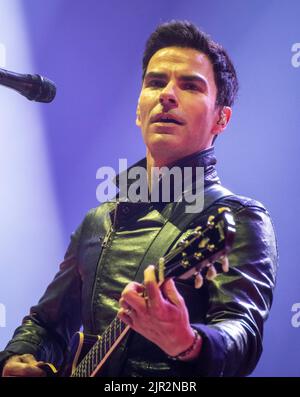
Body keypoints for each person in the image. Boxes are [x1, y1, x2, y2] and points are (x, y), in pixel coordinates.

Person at [0, 20, 277, 377]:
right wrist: (16, 359)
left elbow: (242, 335)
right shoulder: (99, 221)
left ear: (221, 118)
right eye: (156, 82)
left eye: (190, 85)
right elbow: (45, 323)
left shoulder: (236, 217)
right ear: (137, 109)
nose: (167, 94)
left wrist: (188, 342)